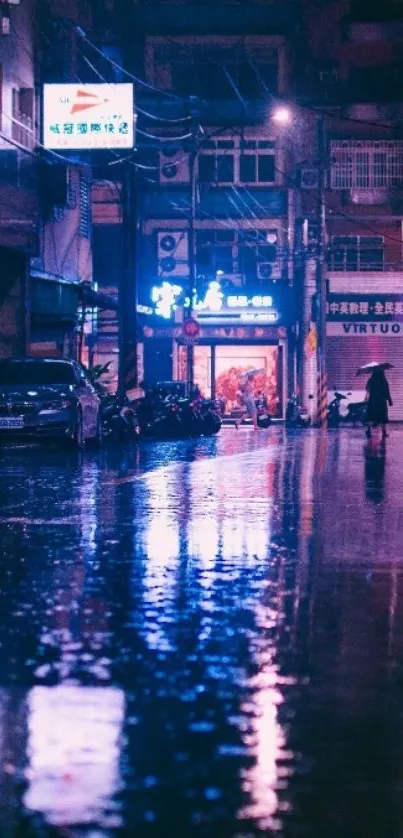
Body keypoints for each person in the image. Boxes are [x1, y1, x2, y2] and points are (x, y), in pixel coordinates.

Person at [365, 367, 393, 439]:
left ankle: (368, 431)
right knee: (383, 416)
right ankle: (384, 432)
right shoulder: (383, 380)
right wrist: (390, 400)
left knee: (371, 416)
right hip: (381, 401)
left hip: (372, 400)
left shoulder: (371, 380)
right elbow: (387, 391)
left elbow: (367, 388)